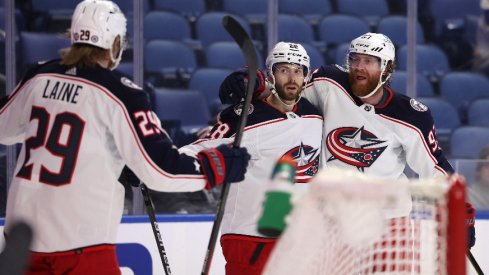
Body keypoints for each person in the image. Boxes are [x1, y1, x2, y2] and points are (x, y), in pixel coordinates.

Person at [0, 1, 250, 274]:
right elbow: (161, 170)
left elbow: (6, 129)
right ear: (115, 42)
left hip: (20, 243)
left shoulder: (39, 75)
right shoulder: (121, 93)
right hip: (78, 246)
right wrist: (216, 165)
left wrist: (119, 157)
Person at [220, 32, 476, 251]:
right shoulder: (327, 83)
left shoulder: (410, 114)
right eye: (355, 60)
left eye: (369, 61)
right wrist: (250, 80)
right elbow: (288, 86)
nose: (359, 67)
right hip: (331, 221)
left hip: (388, 223)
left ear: (386, 68)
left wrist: (461, 214)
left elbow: (436, 168)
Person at [180, 42, 323, 275]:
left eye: (298, 70)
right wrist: (153, 167)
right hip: (251, 238)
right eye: (283, 69)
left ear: (306, 76)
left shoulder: (315, 115)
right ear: (271, 74)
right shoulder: (245, 117)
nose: (291, 78)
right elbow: (196, 149)